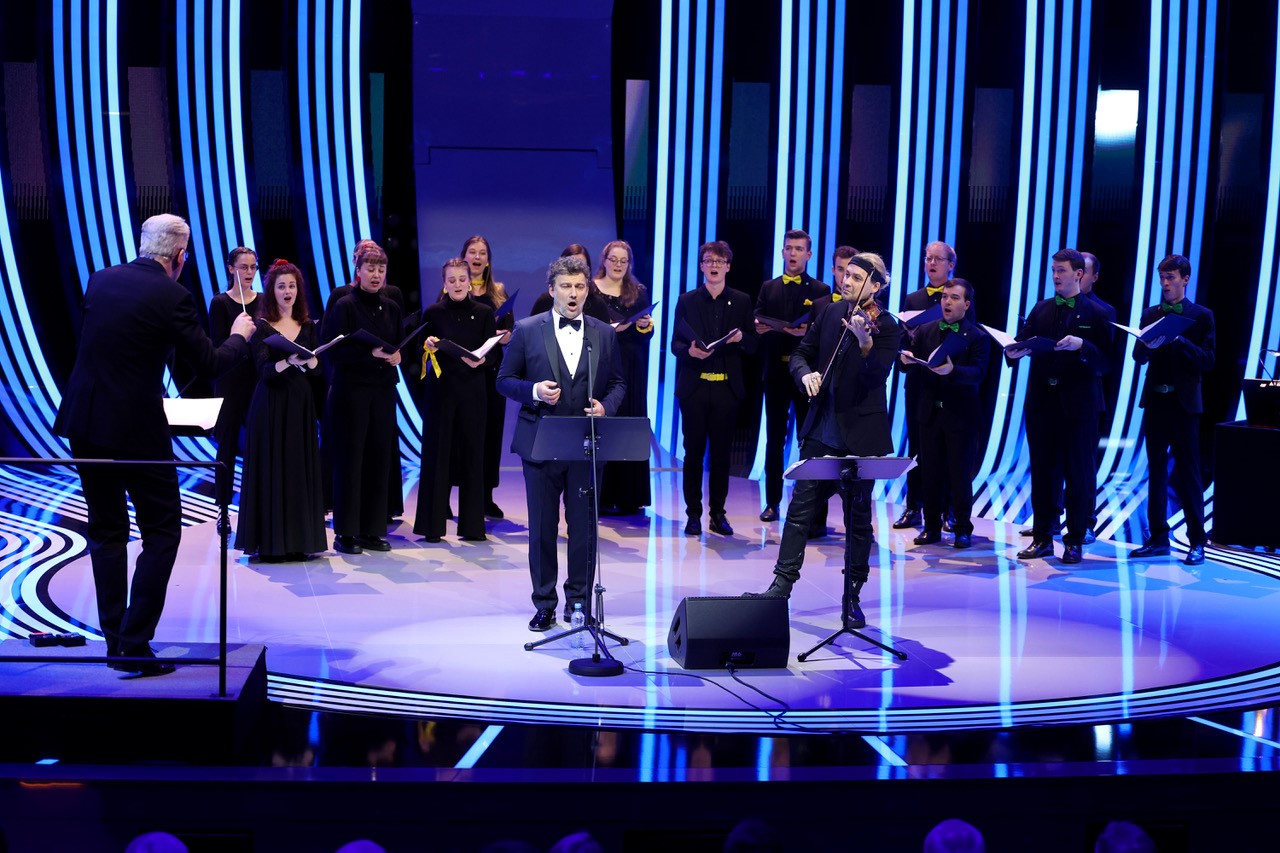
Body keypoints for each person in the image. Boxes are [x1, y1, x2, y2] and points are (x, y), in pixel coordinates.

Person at [54, 213, 256, 675]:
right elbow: (209, 364)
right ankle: (133, 642)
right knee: (163, 532)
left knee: (106, 531)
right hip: (136, 430)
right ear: (181, 256)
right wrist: (238, 337)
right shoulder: (173, 295)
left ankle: (115, 641)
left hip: (86, 423)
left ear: (144, 245)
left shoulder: (101, 280)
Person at [747, 253, 899, 625]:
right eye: (846, 274)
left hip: (860, 436)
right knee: (800, 512)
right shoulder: (830, 313)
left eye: (857, 277)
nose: (846, 281)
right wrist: (805, 376)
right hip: (820, 431)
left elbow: (874, 379)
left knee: (858, 519)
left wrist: (865, 347)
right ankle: (780, 588)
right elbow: (800, 353)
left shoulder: (889, 327)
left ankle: (853, 597)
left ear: (876, 286)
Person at [497, 255, 625, 631]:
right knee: (542, 527)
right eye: (566, 286)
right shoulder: (527, 329)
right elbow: (504, 380)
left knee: (584, 527)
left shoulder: (604, 332)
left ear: (588, 290)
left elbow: (618, 383)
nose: (573, 293)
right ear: (551, 290)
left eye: (580, 286)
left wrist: (606, 406)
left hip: (586, 444)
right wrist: (533, 390)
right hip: (540, 444)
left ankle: (580, 601)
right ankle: (545, 603)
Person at [1008, 248, 1113, 564]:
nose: (1055, 275)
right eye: (1053, 270)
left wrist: (1083, 346)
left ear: (1079, 274)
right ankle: (1041, 537)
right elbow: (1021, 340)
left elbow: (1107, 362)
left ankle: (1075, 540)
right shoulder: (1041, 309)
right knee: (1041, 471)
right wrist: (1013, 352)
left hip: (1079, 407)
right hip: (1042, 404)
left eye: (1062, 270)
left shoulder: (1098, 313)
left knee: (1078, 474)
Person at [234, 259, 328, 561]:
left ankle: (300, 541)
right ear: (271, 291)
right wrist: (290, 361)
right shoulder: (262, 327)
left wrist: (313, 362)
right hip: (271, 404)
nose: (287, 291)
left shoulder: (308, 324)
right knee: (272, 467)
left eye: (292, 286)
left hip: (299, 404)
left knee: (298, 468)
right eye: (281, 286)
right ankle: (272, 543)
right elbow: (263, 370)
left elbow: (317, 372)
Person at [1130, 253, 1215, 566]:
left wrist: (1179, 341)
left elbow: (1208, 360)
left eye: (1171, 279)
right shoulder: (1151, 313)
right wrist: (1146, 346)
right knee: (1154, 472)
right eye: (1162, 279)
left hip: (1184, 406)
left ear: (1185, 279)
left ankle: (1196, 542)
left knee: (1189, 474)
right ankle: (1157, 539)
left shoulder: (1201, 315)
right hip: (1156, 401)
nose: (1165, 284)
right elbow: (1138, 356)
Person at [671, 240, 759, 536]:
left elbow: (753, 343)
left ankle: (718, 514)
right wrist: (689, 352)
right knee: (692, 453)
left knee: (721, 456)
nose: (714, 266)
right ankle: (693, 514)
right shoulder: (687, 300)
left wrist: (740, 340)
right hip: (694, 389)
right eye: (709, 261)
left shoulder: (742, 300)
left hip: (726, 390)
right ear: (701, 266)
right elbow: (675, 344)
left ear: (728, 267)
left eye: (720, 262)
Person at [321, 242, 403, 555]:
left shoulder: (391, 307)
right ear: (358, 271)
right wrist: (367, 353)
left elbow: (396, 343)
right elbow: (333, 349)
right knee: (350, 460)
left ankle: (372, 530)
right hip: (350, 391)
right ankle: (346, 532)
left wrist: (397, 356)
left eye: (381, 270)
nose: (376, 275)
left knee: (379, 459)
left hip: (382, 390)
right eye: (370, 269)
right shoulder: (345, 304)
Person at [900, 278, 989, 549]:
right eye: (945, 297)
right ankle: (931, 527)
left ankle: (962, 527)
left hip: (960, 416)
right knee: (930, 472)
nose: (947, 302)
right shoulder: (925, 330)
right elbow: (911, 362)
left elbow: (978, 373)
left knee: (960, 474)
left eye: (954, 298)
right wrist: (905, 360)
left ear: (966, 304)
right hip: (929, 412)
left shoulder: (976, 336)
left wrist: (954, 372)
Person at [414, 258, 496, 542]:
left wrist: (483, 360)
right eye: (452, 280)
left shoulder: (485, 312)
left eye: (463, 279)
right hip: (441, 393)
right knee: (438, 456)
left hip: (473, 391)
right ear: (444, 283)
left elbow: (493, 352)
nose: (458, 284)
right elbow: (419, 348)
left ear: (470, 281)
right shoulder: (434, 313)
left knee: (473, 456)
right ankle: (432, 526)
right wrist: (426, 347)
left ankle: (473, 527)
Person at [754, 229, 830, 523]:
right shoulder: (769, 287)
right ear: (783, 252)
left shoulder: (821, 290)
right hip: (775, 371)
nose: (793, 253)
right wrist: (760, 326)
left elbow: (824, 329)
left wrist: (807, 332)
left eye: (799, 249)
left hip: (807, 374)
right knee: (774, 440)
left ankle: (810, 507)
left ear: (809, 254)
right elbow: (758, 321)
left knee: (809, 441)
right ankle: (772, 503)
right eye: (789, 248)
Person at [894, 240, 962, 531]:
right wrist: (905, 353)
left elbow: (968, 338)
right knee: (917, 447)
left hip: (948, 384)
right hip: (920, 383)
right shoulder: (913, 299)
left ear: (950, 264)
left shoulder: (961, 295)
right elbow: (902, 338)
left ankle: (948, 510)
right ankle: (914, 507)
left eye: (937, 259)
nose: (931, 263)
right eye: (927, 258)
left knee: (948, 449)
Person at [593, 239, 654, 516]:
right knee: (606, 425)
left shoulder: (637, 291)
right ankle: (604, 495)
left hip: (631, 364)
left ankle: (631, 496)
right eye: (613, 259)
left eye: (623, 260)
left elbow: (647, 334)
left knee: (629, 426)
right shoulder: (591, 291)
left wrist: (644, 326)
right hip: (602, 364)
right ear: (604, 260)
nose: (618, 265)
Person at [207, 247, 261, 527]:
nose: (249, 273)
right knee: (226, 445)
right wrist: (238, 335)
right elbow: (217, 345)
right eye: (243, 267)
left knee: (257, 443)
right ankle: (223, 509)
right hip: (229, 381)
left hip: (256, 380)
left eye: (253, 267)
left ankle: (257, 506)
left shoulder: (262, 302)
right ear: (230, 269)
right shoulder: (220, 303)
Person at [462, 235, 514, 519]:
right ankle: (450, 494)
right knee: (462, 436)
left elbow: (511, 331)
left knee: (490, 436)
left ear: (488, 260)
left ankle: (486, 496)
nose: (477, 257)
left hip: (492, 373)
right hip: (464, 374)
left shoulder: (499, 292)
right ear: (464, 256)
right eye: (472, 252)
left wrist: (504, 337)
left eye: (482, 253)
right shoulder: (454, 288)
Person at [528, 244, 612, 323]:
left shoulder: (597, 303)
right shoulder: (544, 301)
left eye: (581, 265)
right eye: (570, 263)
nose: (575, 268)